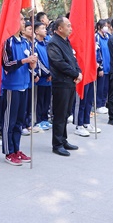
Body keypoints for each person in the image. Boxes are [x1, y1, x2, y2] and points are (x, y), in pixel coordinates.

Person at [1, 13, 37, 165]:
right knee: (10, 120)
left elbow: (29, 64)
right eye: (21, 19)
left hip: (24, 84)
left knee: (19, 121)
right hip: (12, 86)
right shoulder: (7, 41)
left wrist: (32, 64)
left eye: (23, 19)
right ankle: (9, 152)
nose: (24, 22)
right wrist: (24, 61)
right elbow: (6, 64)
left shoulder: (25, 42)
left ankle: (17, 149)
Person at [47, 17, 81, 157]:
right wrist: (75, 73)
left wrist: (78, 72)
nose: (70, 28)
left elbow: (73, 60)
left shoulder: (66, 41)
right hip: (61, 83)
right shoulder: (53, 43)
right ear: (59, 28)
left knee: (66, 113)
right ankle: (57, 144)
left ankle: (63, 139)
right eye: (68, 25)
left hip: (70, 82)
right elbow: (59, 63)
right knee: (60, 114)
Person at [33, 22, 52, 131]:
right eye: (42, 28)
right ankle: (38, 120)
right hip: (40, 78)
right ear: (36, 31)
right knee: (39, 100)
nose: (45, 30)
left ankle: (45, 119)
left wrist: (52, 73)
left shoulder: (47, 43)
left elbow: (52, 58)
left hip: (49, 78)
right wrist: (47, 73)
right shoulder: (34, 44)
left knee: (46, 99)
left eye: (45, 28)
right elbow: (38, 61)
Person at [95, 19, 111, 114]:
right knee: (100, 87)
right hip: (102, 67)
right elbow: (97, 52)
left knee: (106, 87)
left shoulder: (108, 36)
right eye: (104, 26)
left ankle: (103, 103)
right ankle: (98, 105)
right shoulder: (96, 37)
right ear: (99, 27)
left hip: (109, 66)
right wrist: (100, 67)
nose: (106, 27)